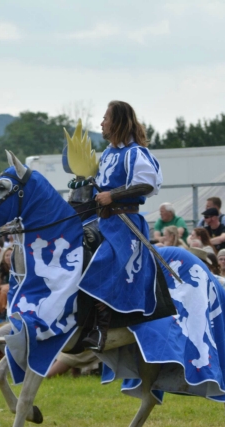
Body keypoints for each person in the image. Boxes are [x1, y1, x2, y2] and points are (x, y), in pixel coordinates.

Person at [76, 102, 163, 354]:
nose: (101, 123)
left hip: (125, 224)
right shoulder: (108, 153)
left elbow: (147, 184)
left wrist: (113, 195)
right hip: (102, 220)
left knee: (106, 263)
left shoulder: (136, 153)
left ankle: (102, 329)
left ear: (118, 122)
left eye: (105, 118)